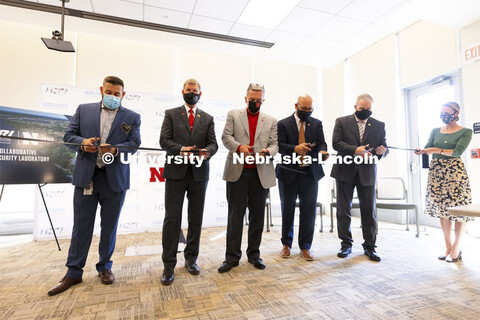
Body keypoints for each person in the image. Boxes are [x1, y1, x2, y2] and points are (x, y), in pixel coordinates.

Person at [48, 76, 141, 296]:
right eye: (109, 92)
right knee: (81, 226)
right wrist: (83, 143)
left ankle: (105, 267)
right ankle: (73, 272)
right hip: (86, 177)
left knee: (109, 227)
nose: (113, 97)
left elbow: (134, 144)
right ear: (101, 90)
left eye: (117, 94)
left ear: (123, 95)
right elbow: (68, 137)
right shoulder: (83, 110)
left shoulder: (132, 117)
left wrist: (115, 150)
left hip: (114, 180)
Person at [159, 78, 218, 285]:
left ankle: (191, 259)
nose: (191, 93)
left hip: (199, 175)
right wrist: (182, 149)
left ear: (200, 94)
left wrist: (206, 153)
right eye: (188, 90)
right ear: (182, 91)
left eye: (195, 91)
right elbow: (164, 141)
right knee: (172, 219)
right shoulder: (171, 114)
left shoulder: (208, 118)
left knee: (196, 219)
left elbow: (213, 144)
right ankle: (168, 264)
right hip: (175, 173)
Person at [219, 83, 278, 273]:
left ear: (263, 100)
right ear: (245, 99)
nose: (255, 103)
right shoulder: (233, 115)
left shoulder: (270, 120)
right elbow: (226, 137)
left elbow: (275, 145)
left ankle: (254, 254)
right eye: (252, 100)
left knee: (257, 217)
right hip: (238, 171)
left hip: (260, 173)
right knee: (235, 217)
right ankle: (231, 257)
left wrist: (267, 152)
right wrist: (240, 147)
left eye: (258, 101)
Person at [331, 93, 388, 262]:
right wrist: (356, 150)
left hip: (367, 172)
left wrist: (381, 152)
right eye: (362, 109)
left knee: (369, 211)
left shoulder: (378, 125)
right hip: (344, 170)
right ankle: (346, 244)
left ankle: (370, 246)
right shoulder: (341, 121)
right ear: (355, 107)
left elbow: (384, 146)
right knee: (343, 210)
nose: (365, 111)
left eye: (368, 109)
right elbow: (336, 143)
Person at [414, 102, 473, 263]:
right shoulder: (435, 131)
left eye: (447, 113)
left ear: (456, 112)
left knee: (459, 211)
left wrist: (435, 150)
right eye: (441, 113)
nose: (444, 116)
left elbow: (457, 152)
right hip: (437, 173)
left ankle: (456, 248)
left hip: (455, 173)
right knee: (443, 211)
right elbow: (427, 147)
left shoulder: (466, 132)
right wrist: (422, 151)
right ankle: (448, 247)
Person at [276, 94, 328, 261]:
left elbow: (322, 143)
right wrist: (295, 148)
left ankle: (305, 247)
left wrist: (322, 151)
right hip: (288, 173)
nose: (307, 112)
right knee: (287, 209)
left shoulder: (317, 123)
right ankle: (286, 244)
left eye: (309, 109)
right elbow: (279, 146)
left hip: (310, 174)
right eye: (304, 109)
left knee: (308, 211)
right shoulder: (283, 123)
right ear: (296, 106)